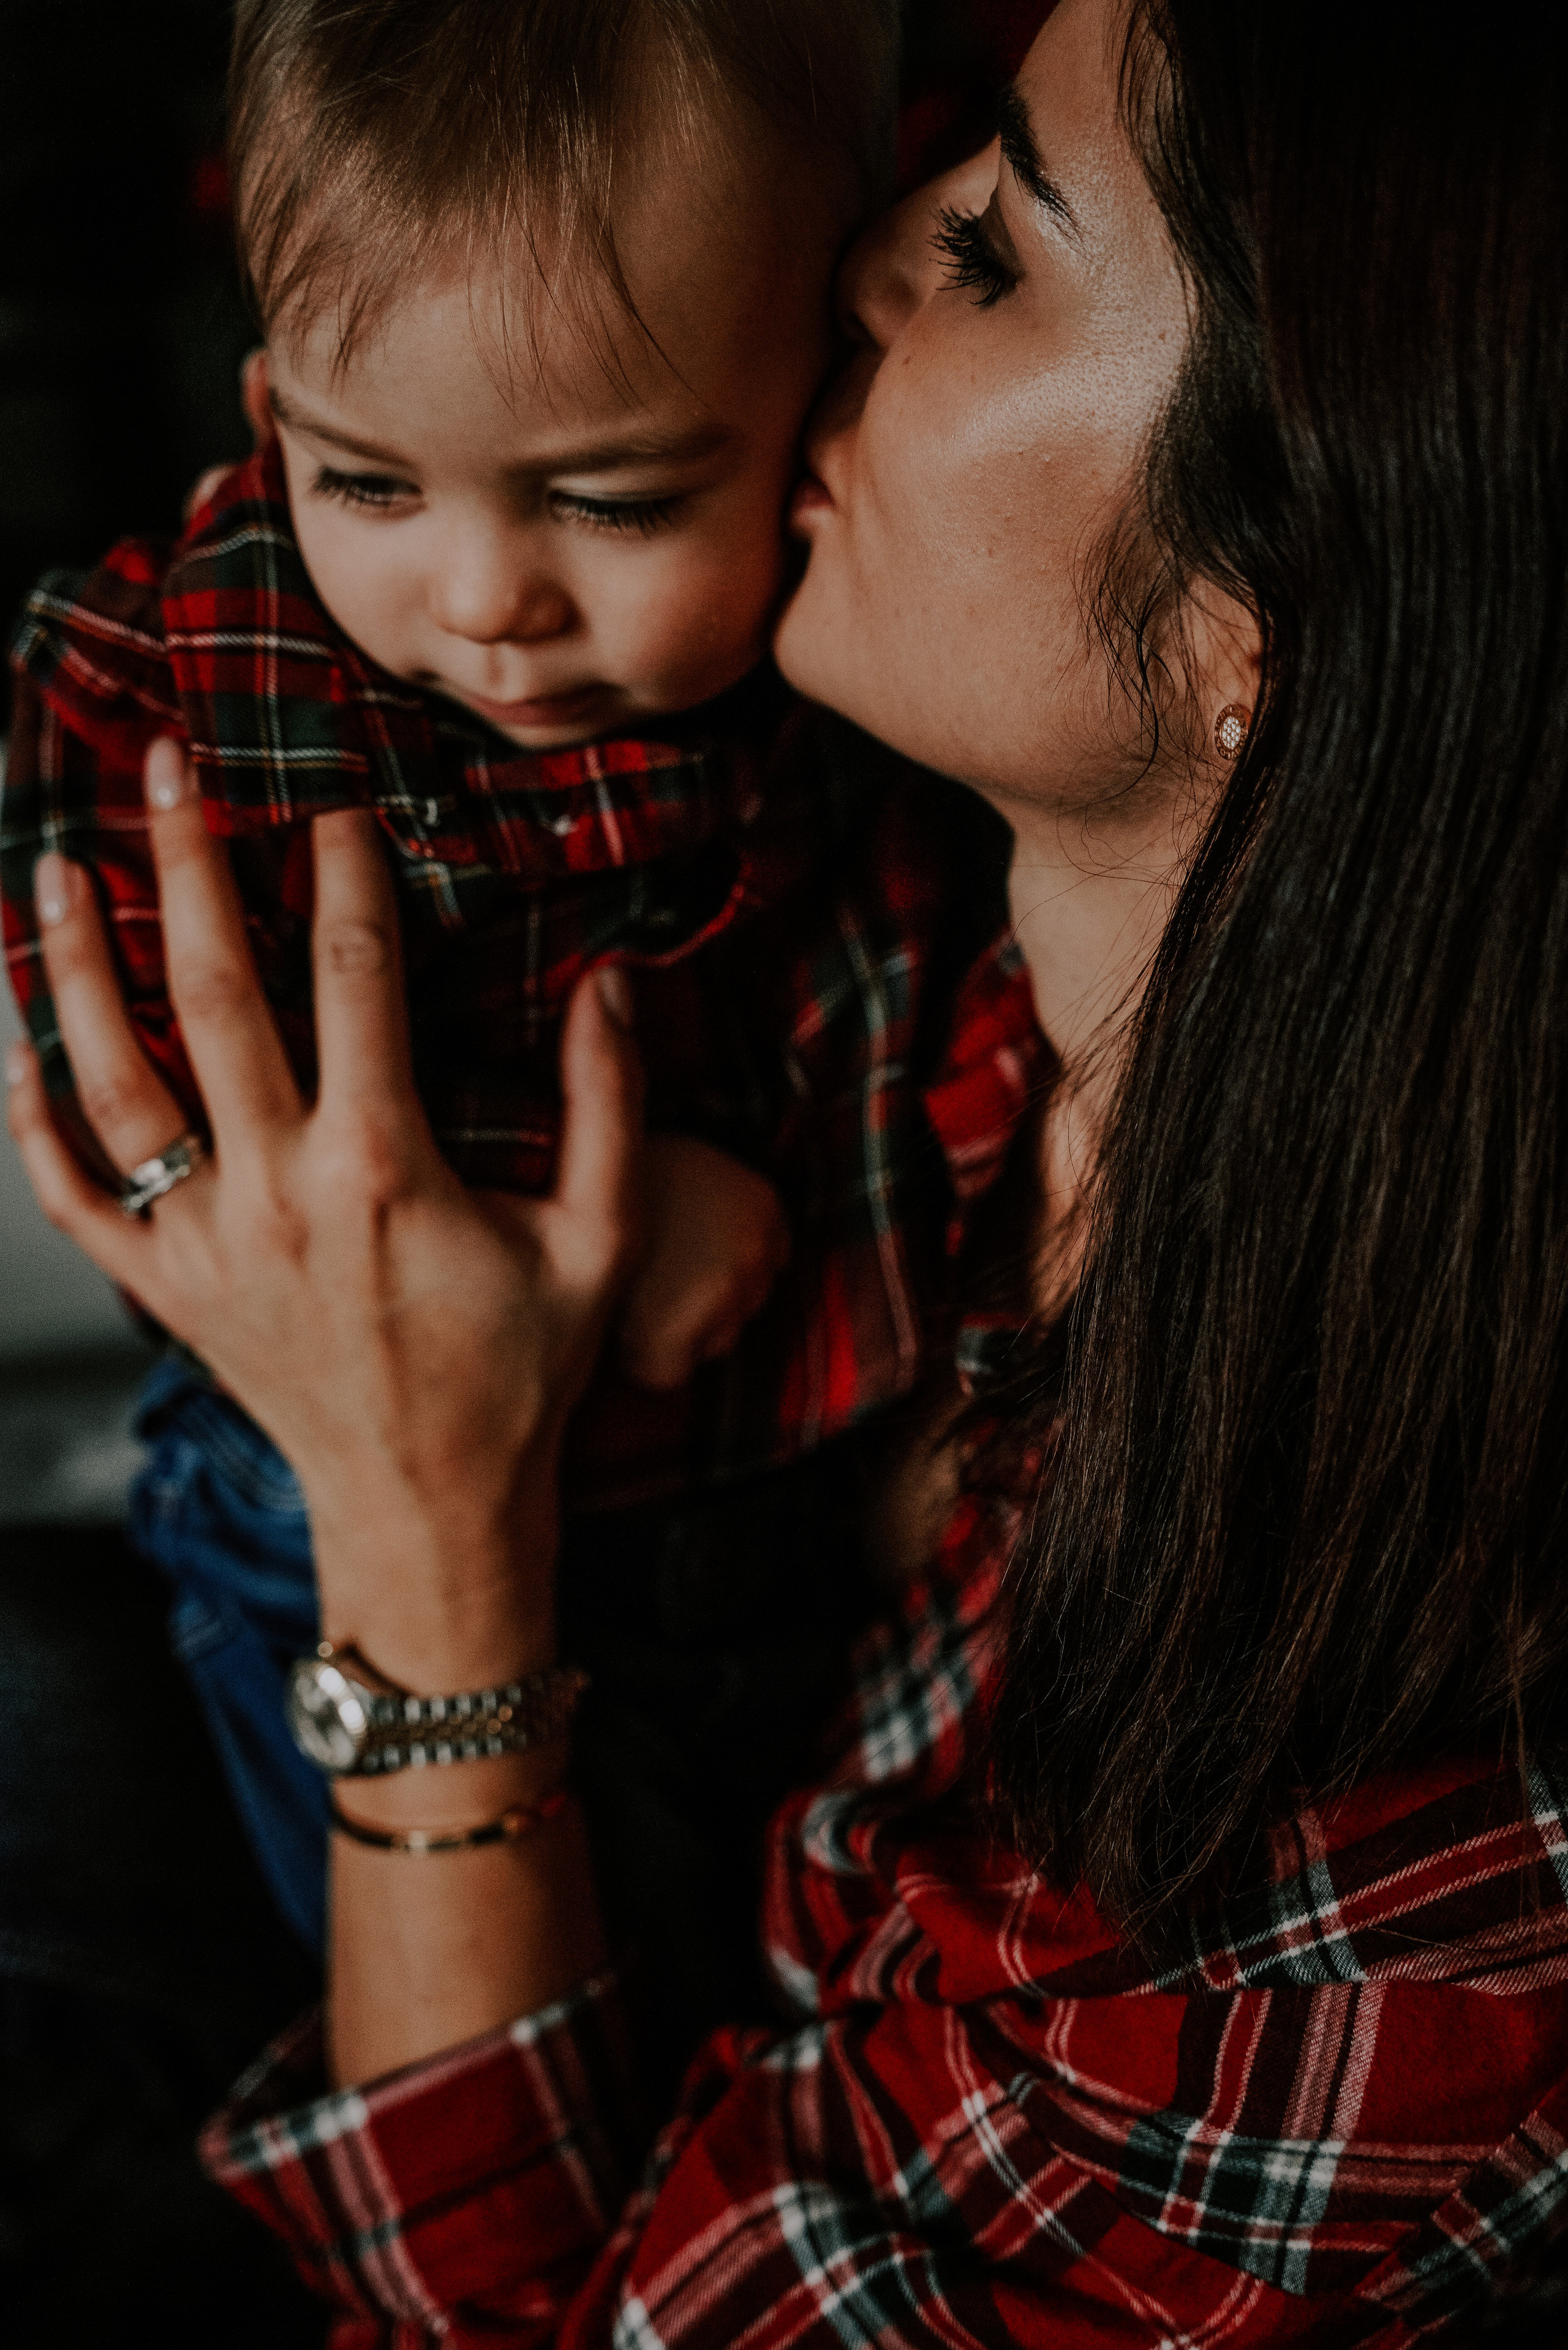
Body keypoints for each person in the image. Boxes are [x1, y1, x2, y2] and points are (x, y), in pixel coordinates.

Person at [11, 0, 1568, 2339]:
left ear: (1267, 625)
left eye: (993, 246)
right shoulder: (985, 1002)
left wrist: (428, 1529)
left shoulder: (1407, 1906)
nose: (860, 260)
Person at [0, 0, 1037, 1995]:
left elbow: (926, 963)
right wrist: (591, 1209)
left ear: (832, 408)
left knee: (726, 1970)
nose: (483, 599)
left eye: (616, 501)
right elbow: (151, 1101)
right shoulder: (191, 676)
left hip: (774, 1496)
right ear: (270, 412)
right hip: (330, 1522)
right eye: (368, 483)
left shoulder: (859, 660)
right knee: (453, 1970)